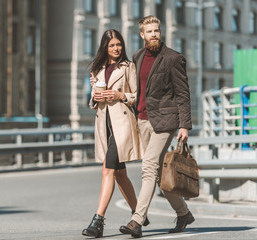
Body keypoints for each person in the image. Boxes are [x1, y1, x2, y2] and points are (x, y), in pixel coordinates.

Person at [119, 15, 194, 238]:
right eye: (150, 31)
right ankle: (183, 214)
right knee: (160, 176)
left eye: (157, 31)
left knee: (148, 167)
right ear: (142, 35)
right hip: (142, 120)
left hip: (165, 123)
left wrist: (184, 125)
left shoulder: (173, 58)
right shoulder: (137, 56)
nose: (154, 34)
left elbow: (183, 93)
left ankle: (137, 220)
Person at [82, 29, 148, 238]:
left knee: (107, 170)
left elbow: (137, 97)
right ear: (105, 47)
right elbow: (92, 102)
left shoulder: (129, 67)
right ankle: (140, 214)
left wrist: (120, 94)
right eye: (112, 45)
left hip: (122, 126)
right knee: (120, 174)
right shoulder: (97, 69)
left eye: (119, 44)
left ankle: (98, 220)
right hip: (105, 126)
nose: (116, 48)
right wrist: (95, 95)